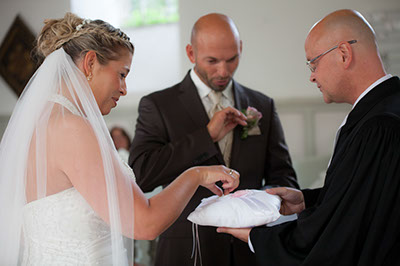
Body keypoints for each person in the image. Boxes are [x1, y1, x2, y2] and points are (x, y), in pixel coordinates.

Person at [0, 13, 241, 265]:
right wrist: (197, 176)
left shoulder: (42, 123)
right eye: (122, 74)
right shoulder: (71, 128)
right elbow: (145, 223)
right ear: (91, 63)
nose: (124, 88)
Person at [217, 9, 400, 265]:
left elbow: (342, 234)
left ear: (344, 54)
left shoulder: (379, 127)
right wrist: (308, 200)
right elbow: (363, 199)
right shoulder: (385, 108)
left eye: (313, 63)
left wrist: (256, 237)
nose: (312, 75)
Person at [129, 13, 299, 266]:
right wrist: (206, 136)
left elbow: (283, 177)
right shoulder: (158, 106)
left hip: (249, 253)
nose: (223, 70)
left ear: (240, 48)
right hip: (186, 250)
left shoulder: (262, 104)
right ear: (191, 53)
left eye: (232, 59)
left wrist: (257, 205)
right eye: (212, 61)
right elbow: (141, 176)